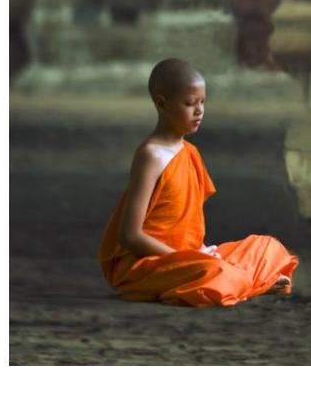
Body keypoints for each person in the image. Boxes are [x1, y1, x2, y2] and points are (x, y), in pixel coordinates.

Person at [98, 58, 298, 306]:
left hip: (192, 259)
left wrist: (203, 251)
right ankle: (249, 283)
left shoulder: (190, 153)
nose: (199, 111)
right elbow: (130, 236)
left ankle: (240, 282)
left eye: (202, 102)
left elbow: (187, 225)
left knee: (269, 247)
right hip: (151, 263)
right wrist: (188, 259)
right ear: (162, 104)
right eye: (190, 103)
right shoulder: (151, 155)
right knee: (217, 272)